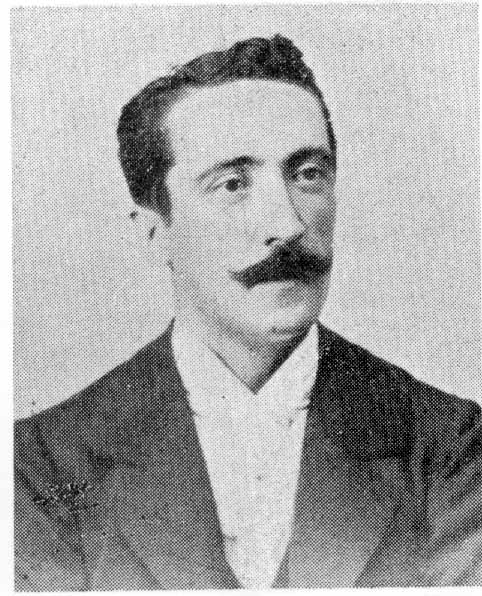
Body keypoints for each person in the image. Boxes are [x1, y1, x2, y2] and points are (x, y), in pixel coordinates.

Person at [14, 35, 482, 590]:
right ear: (155, 232)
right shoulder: (42, 463)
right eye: (233, 183)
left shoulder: (448, 447)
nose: (288, 224)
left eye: (307, 174)